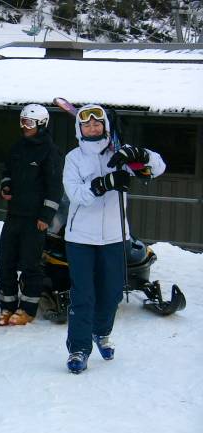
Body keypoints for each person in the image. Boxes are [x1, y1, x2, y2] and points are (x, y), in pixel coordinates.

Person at [63, 104, 166, 374]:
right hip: (80, 238)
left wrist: (141, 155)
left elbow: (157, 168)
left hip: (114, 236)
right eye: (87, 124)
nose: (93, 128)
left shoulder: (118, 153)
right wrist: (105, 183)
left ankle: (102, 332)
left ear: (105, 126)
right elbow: (77, 195)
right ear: (80, 128)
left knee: (112, 293)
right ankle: (79, 348)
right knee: (83, 295)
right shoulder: (73, 158)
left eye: (98, 123)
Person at [0, 104, 63, 326]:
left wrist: (45, 216)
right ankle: (7, 306)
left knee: (30, 265)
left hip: (35, 219)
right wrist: (6, 187)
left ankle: (27, 309)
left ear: (42, 124)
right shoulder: (17, 147)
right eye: (22, 121)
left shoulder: (50, 151)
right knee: (5, 263)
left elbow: (54, 187)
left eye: (29, 123)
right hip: (14, 215)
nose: (24, 126)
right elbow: (6, 172)